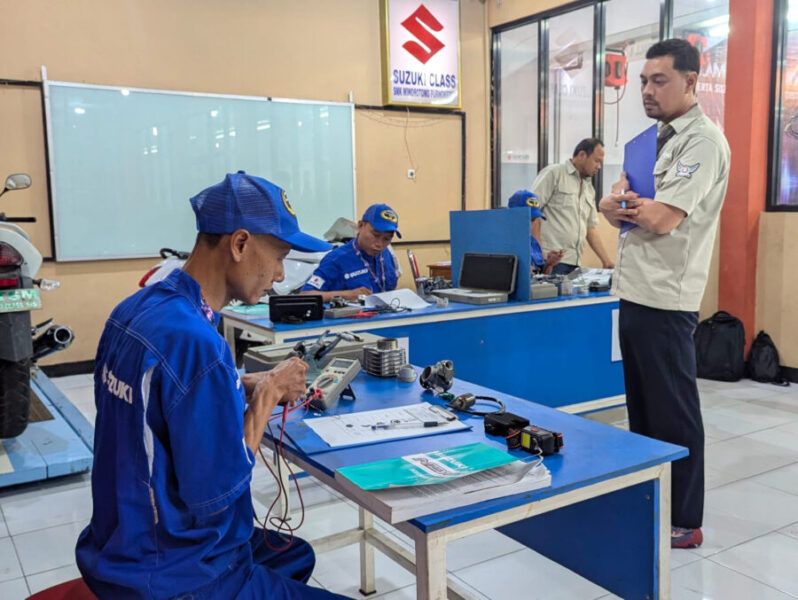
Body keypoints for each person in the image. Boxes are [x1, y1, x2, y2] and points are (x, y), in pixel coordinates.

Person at [76, 171, 350, 599]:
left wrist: (235, 383)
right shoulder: (198, 344)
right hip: (178, 573)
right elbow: (219, 490)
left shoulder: (136, 309)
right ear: (239, 244)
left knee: (296, 555)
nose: (280, 274)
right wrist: (270, 393)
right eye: (279, 256)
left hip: (119, 542)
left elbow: (159, 398)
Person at [598, 39, 730, 549]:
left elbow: (660, 217)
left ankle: (685, 519)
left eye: (659, 80)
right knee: (644, 410)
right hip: (635, 291)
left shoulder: (702, 143)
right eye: (643, 82)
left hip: (667, 299)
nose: (647, 91)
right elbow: (618, 210)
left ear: (690, 81)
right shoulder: (652, 141)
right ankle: (653, 498)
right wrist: (620, 206)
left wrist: (621, 205)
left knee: (674, 411)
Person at [531, 138, 615, 275]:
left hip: (574, 263)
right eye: (596, 160)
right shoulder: (555, 173)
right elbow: (532, 213)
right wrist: (538, 256)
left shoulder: (589, 188)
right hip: (550, 261)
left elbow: (590, 228)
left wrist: (606, 260)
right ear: (582, 155)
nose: (599, 167)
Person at [301, 203, 400, 302]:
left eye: (386, 239)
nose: (379, 244)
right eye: (375, 235)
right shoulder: (336, 259)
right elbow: (306, 295)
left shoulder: (387, 254)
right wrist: (346, 295)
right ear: (360, 226)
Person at [507, 190, 565, 275]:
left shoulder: (533, 242)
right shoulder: (501, 242)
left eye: (533, 220)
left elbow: (541, 275)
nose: (530, 225)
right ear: (512, 216)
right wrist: (520, 272)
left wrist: (549, 264)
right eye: (526, 219)